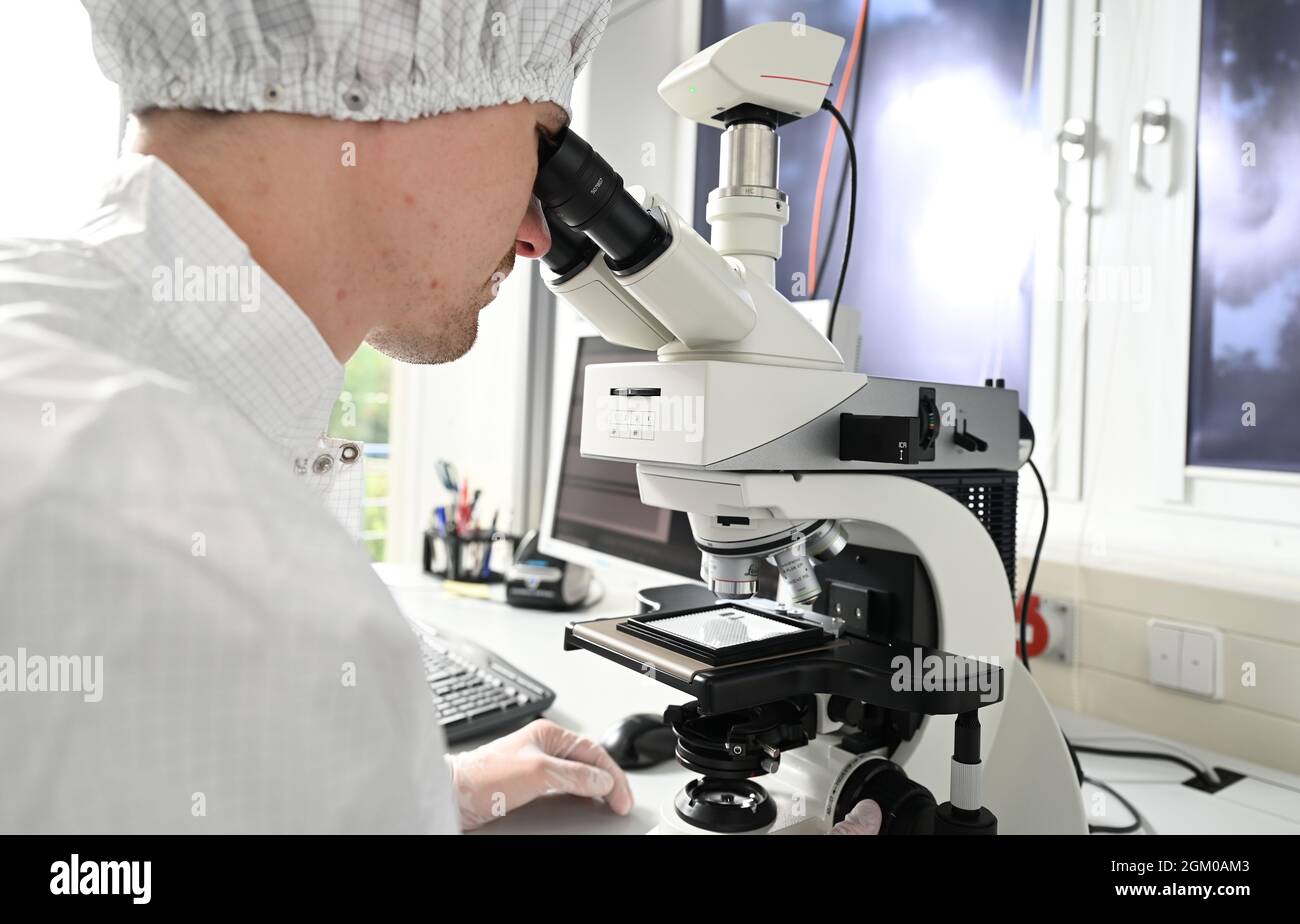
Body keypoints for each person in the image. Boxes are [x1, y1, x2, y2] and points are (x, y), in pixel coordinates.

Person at [0, 0, 879, 836]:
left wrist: (407, 795)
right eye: (542, 145)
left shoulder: (43, 331)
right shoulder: (253, 593)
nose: (539, 231)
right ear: (389, 70)